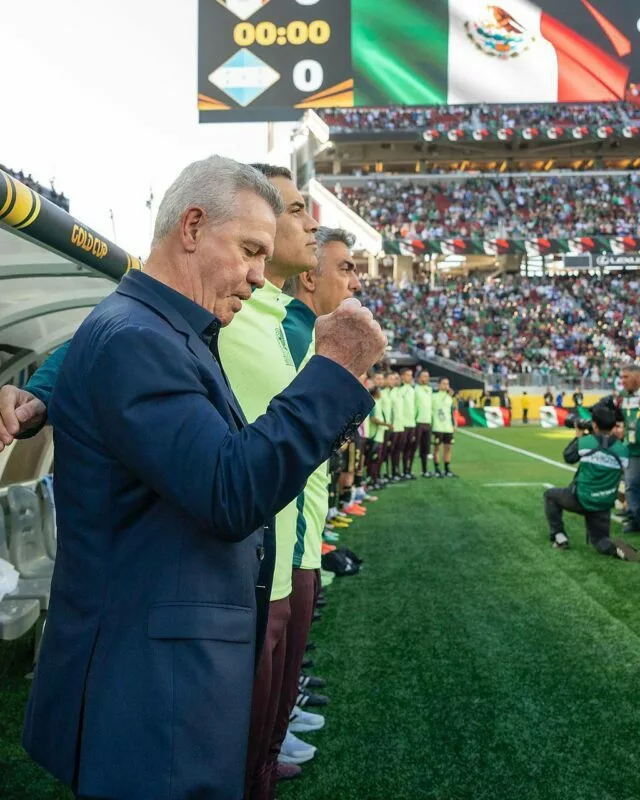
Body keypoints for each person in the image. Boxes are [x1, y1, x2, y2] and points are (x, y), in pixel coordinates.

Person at [17, 156, 385, 800]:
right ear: (192, 226)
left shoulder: (163, 329)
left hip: (158, 670)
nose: (258, 275)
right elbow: (228, 489)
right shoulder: (138, 337)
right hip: (149, 686)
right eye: (249, 250)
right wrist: (332, 370)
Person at [272, 226, 362, 775]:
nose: (355, 282)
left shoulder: (309, 333)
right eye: (345, 268)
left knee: (286, 650)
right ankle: (271, 731)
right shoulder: (280, 325)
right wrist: (40, 392)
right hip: (278, 538)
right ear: (310, 274)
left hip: (301, 531)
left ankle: (281, 717)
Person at [544, 404, 633, 559]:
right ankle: (620, 550)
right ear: (613, 426)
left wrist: (579, 436)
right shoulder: (623, 451)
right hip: (603, 503)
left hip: (581, 498)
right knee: (600, 541)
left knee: (550, 495)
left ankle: (559, 536)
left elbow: (568, 457)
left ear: (595, 425)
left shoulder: (586, 442)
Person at [619, 364, 640, 534]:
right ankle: (635, 520)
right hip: (632, 449)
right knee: (631, 484)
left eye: (626, 377)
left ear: (637, 377)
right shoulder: (624, 397)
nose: (622, 381)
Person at [432, 377, 458, 478]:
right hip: (437, 427)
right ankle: (437, 469)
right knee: (437, 449)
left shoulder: (449, 398)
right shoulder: (433, 396)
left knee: (448, 448)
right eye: (444, 383)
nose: (446, 386)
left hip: (448, 427)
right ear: (439, 385)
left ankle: (447, 469)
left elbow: (452, 412)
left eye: (447, 384)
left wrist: (454, 424)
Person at [399, 367, 417, 478]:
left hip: (412, 424)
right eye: (408, 375)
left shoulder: (412, 389)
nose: (410, 377)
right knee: (401, 449)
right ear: (402, 376)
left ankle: (408, 470)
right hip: (402, 424)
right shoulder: (400, 390)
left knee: (410, 448)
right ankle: (399, 471)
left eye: (411, 375)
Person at [415, 369, 433, 477]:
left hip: (428, 422)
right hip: (417, 422)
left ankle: (424, 470)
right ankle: (406, 471)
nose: (426, 378)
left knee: (425, 448)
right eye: (424, 376)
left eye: (427, 376)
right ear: (419, 378)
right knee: (412, 448)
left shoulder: (430, 390)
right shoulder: (415, 389)